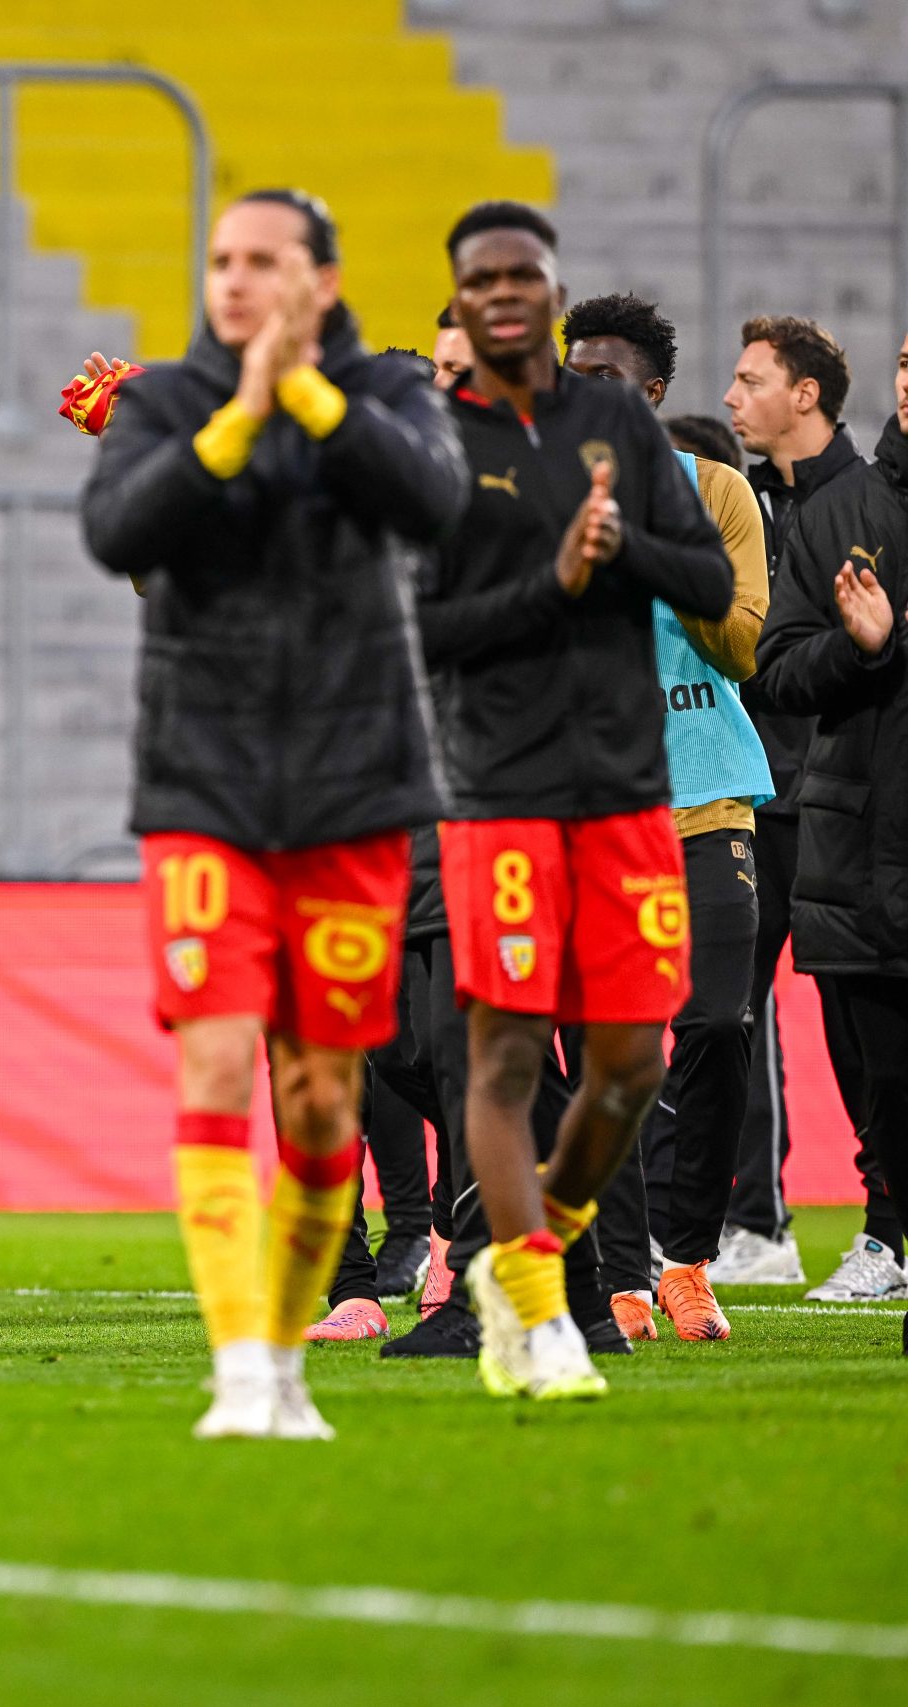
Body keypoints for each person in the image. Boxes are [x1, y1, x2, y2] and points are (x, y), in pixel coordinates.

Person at [84, 190, 466, 1436]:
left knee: (318, 1095)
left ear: (322, 278)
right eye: (220, 260)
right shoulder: (167, 401)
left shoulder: (386, 395)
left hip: (354, 796)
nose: (235, 281)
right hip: (205, 787)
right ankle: (244, 1359)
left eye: (263, 261)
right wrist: (241, 410)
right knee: (211, 1058)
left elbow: (432, 501)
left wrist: (302, 393)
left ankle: (295, 1350)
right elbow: (117, 526)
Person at [425, 203, 733, 1402]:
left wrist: (626, 555)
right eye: (481, 279)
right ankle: (542, 1310)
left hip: (623, 786)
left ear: (550, 293)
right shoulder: (432, 444)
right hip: (499, 787)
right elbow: (423, 628)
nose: (504, 293)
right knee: (502, 1056)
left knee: (628, 1067)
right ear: (459, 303)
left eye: (525, 274)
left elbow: (704, 579)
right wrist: (549, 584)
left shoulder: (614, 421)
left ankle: (528, 1252)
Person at [559, 294, 775, 1342]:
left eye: (598, 377)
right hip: (587, 813)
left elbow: (737, 647)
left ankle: (689, 1257)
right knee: (608, 1052)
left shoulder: (718, 493)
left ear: (649, 393)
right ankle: (623, 1277)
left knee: (716, 1028)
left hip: (706, 802)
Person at [725, 318, 907, 1300]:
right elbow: (774, 666)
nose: (730, 396)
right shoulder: (799, 506)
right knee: (745, 1018)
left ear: (806, 394)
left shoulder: (833, 501)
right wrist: (861, 648)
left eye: (750, 379)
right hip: (801, 807)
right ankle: (772, 1220)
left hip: (834, 805)